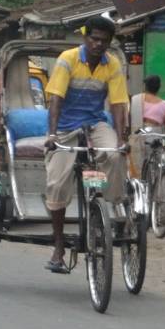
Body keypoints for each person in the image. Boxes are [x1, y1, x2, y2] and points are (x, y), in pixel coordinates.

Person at [41, 19, 131, 275]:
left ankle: (111, 207)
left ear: (109, 42)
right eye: (94, 38)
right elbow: (56, 99)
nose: (98, 44)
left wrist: (122, 137)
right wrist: (51, 134)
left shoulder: (112, 64)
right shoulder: (67, 59)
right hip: (67, 126)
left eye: (103, 40)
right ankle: (58, 247)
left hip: (94, 124)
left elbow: (118, 103)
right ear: (85, 38)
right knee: (57, 183)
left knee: (114, 155)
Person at [131, 75, 165, 179]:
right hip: (155, 136)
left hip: (138, 135)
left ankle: (137, 186)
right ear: (159, 87)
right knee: (156, 165)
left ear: (145, 87)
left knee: (137, 164)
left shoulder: (135, 100)